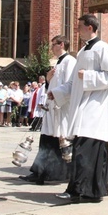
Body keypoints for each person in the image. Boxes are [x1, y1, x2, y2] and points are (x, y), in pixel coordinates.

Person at [51, 14, 108, 203]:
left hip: (95, 108)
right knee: (82, 150)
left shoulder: (103, 48)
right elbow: (73, 82)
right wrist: (56, 93)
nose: (77, 29)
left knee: (85, 151)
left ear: (90, 27)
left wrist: (87, 76)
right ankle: (85, 191)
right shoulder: (82, 51)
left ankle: (83, 191)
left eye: (79, 26)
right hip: (83, 106)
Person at [23, 35, 76, 184]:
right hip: (52, 107)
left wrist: (56, 94)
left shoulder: (70, 61)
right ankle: (39, 171)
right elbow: (53, 85)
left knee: (59, 141)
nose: (52, 47)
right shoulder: (58, 63)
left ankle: (54, 173)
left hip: (61, 108)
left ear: (62, 45)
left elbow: (71, 85)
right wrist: (47, 81)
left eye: (54, 44)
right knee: (46, 139)